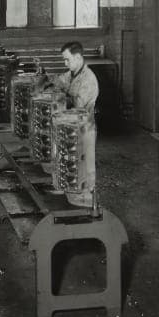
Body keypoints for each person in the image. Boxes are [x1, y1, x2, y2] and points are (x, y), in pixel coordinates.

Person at [50, 41, 99, 208]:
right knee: (69, 160)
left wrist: (60, 97)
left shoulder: (88, 79)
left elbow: (77, 105)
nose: (65, 63)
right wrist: (46, 81)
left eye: (67, 59)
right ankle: (70, 194)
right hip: (69, 126)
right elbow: (58, 81)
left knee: (85, 165)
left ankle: (88, 202)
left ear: (78, 57)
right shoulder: (72, 74)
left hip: (84, 128)